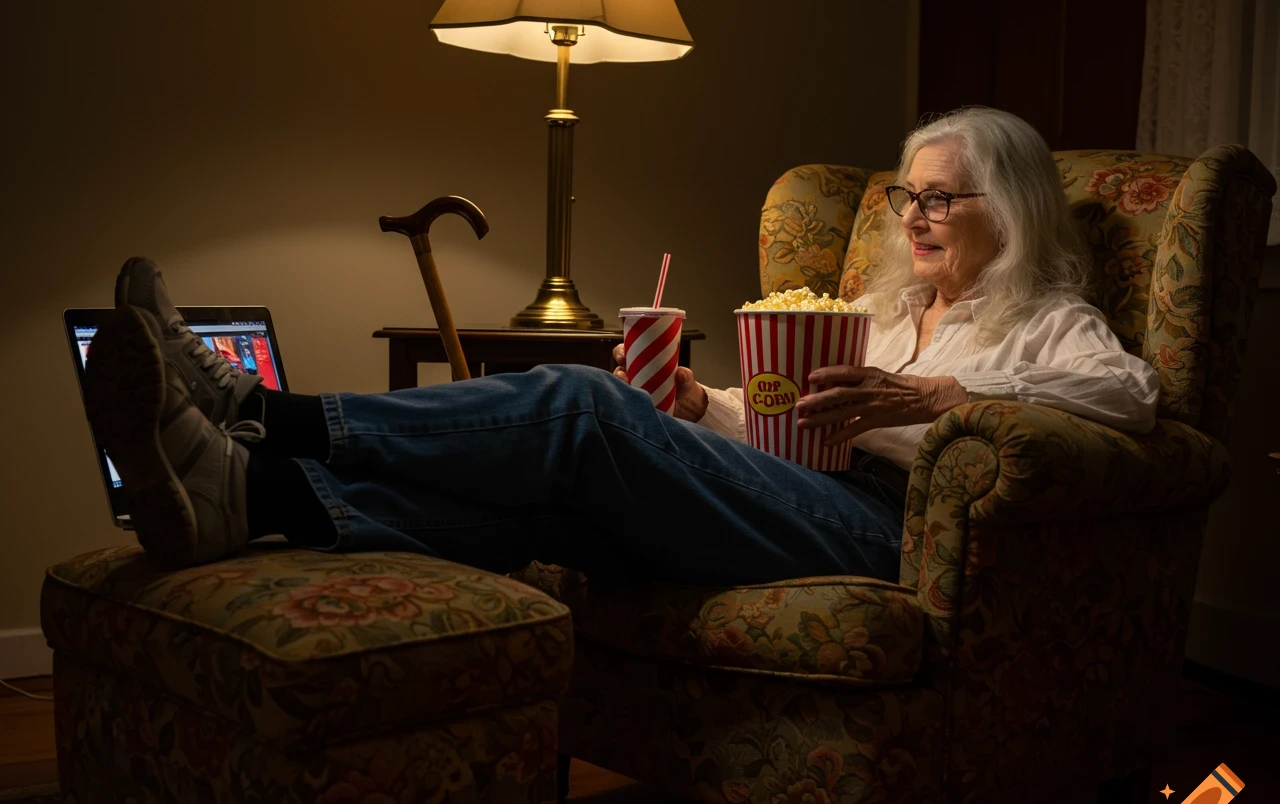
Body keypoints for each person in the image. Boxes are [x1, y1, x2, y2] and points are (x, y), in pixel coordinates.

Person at [83, 106, 1159, 583]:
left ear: (1008, 206)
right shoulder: (875, 315)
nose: (914, 215)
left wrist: (920, 392)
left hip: (890, 538)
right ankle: (248, 496)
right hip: (798, 494)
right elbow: (785, 427)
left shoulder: (1045, 320)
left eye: (941, 196)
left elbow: (1128, 399)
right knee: (547, 502)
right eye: (906, 198)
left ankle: (264, 414)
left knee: (578, 402)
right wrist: (705, 410)